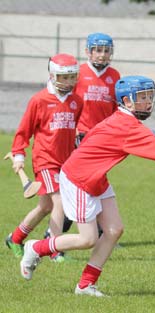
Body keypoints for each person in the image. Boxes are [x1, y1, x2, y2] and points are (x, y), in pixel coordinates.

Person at [19, 75, 155, 297]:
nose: (148, 101)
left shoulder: (124, 121)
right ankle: (36, 248)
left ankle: (85, 285)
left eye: (149, 96)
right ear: (127, 102)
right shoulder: (126, 125)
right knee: (87, 239)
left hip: (96, 178)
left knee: (114, 230)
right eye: (142, 97)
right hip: (79, 179)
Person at [44, 33, 121, 245]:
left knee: (96, 184)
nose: (102, 54)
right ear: (88, 51)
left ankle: (99, 230)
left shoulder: (114, 75)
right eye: (98, 49)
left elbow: (117, 110)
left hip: (102, 140)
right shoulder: (78, 73)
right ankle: (57, 234)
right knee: (80, 185)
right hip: (80, 137)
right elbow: (65, 101)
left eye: (106, 50)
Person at [4, 54, 83, 261]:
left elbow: (72, 129)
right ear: (52, 75)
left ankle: (15, 238)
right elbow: (24, 132)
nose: (69, 82)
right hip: (46, 161)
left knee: (45, 207)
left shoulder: (77, 101)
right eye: (64, 77)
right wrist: (19, 155)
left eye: (73, 77)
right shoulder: (39, 100)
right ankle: (54, 249)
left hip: (66, 162)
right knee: (60, 203)